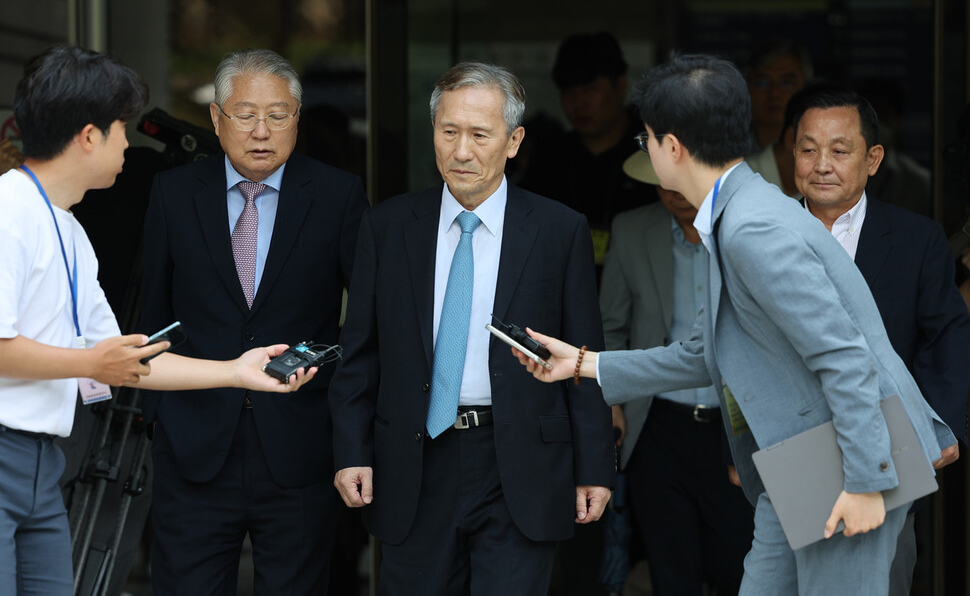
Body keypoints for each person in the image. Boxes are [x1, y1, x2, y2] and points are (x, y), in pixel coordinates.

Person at [511, 53, 955, 595]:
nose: (645, 150)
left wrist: (864, 482)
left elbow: (843, 354)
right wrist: (585, 364)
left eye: (645, 139)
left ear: (671, 148)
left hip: (848, 460)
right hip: (799, 463)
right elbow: (707, 350)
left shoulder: (752, 227)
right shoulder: (738, 212)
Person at [0, 44, 314, 596]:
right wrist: (90, 361)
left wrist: (235, 372)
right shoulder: (8, 212)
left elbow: (127, 359)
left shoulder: (70, 232)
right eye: (122, 129)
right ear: (89, 136)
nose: (130, 144)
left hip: (40, 465)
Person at [329, 61, 615, 596]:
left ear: (513, 141)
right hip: (415, 457)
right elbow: (359, 353)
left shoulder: (558, 230)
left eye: (480, 135)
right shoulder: (388, 227)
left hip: (522, 460)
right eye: (449, 132)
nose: (462, 151)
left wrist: (595, 465)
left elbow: (582, 356)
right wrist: (351, 451)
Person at [139, 48, 368, 595]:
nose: (261, 130)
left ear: (298, 118)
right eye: (245, 114)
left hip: (300, 443)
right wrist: (155, 419)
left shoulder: (338, 195)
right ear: (217, 119)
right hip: (193, 445)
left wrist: (349, 433)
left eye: (278, 114)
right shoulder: (174, 194)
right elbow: (151, 315)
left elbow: (363, 323)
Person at [791, 88, 970, 595]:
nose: (822, 165)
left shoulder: (917, 239)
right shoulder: (757, 234)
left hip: (888, 441)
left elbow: (948, 335)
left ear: (873, 159)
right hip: (789, 439)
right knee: (791, 577)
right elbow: (729, 347)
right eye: (808, 149)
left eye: (840, 150)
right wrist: (735, 448)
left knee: (881, 578)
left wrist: (942, 427)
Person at [601, 150, 753, 595]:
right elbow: (610, 325)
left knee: (739, 564)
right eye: (662, 182)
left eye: (680, 180)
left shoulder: (745, 226)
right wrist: (613, 402)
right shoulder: (632, 230)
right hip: (658, 425)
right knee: (671, 569)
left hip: (735, 423)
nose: (673, 193)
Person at [519, 32, 656, 274]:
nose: (578, 103)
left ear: (620, 85)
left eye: (590, 89)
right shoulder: (550, 156)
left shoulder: (650, 149)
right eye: (569, 93)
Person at [745, 39, 812, 154]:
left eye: (787, 83)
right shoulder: (728, 158)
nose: (774, 93)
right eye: (763, 83)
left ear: (806, 89)